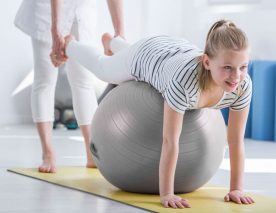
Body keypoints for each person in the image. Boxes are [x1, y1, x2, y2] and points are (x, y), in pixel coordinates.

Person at [53, 19, 255, 208]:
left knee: (123, 57)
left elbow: (236, 140)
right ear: (207, 62)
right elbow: (169, 141)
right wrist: (166, 193)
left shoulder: (242, 86)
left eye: (243, 67)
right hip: (147, 54)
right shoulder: (184, 83)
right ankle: (70, 45)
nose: (236, 76)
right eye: (227, 67)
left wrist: (236, 189)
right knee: (104, 68)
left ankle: (114, 43)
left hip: (172, 52)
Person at [14, 0, 124, 173]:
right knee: (45, 77)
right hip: (46, 8)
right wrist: (55, 31)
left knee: (82, 79)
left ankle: (92, 152)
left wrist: (119, 32)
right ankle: (48, 153)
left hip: (82, 8)